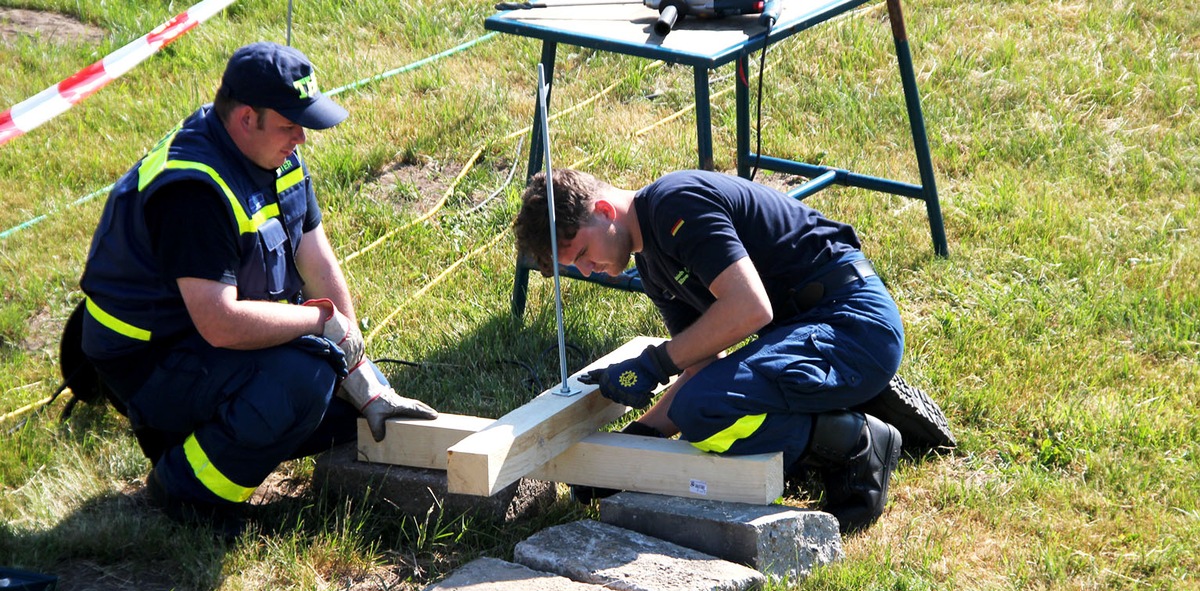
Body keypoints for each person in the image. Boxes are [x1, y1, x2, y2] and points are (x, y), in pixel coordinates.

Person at [76, 42, 436, 534]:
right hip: (150, 358)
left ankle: (211, 438)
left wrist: (363, 377)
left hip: (199, 339)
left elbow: (317, 259)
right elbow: (219, 322)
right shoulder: (194, 190)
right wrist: (322, 323)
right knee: (301, 384)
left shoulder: (272, 154)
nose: (302, 140)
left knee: (335, 400)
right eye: (290, 125)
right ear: (247, 118)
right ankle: (186, 491)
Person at [514, 168, 920, 533]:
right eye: (576, 266)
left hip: (853, 325)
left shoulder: (676, 205)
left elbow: (750, 308)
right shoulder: (653, 265)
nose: (587, 270)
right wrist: (635, 442)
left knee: (701, 411)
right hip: (812, 331)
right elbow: (702, 368)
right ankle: (834, 412)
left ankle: (856, 440)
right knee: (704, 404)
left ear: (603, 210)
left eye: (583, 253)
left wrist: (655, 363)